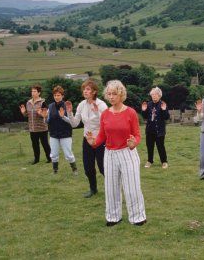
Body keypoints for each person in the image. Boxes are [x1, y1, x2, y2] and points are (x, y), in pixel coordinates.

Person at [87, 80, 146, 227]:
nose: (111, 97)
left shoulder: (130, 112)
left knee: (132, 187)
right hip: (110, 154)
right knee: (111, 187)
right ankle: (113, 217)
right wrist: (93, 142)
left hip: (127, 153)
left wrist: (134, 143)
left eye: (114, 94)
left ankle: (138, 217)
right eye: (109, 94)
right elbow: (102, 136)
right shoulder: (105, 114)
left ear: (121, 94)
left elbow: (137, 135)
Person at [67, 79, 108, 198]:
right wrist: (69, 113)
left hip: (100, 139)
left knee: (103, 167)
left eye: (88, 89)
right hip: (87, 139)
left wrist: (96, 113)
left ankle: (112, 189)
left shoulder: (101, 105)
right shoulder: (81, 105)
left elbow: (107, 122)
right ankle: (93, 189)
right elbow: (75, 124)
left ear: (94, 91)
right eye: (84, 89)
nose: (85, 91)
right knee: (88, 167)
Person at [44, 85, 78, 175]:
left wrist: (63, 117)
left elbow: (72, 122)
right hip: (53, 134)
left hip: (65, 134)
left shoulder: (67, 105)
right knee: (54, 154)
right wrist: (44, 117)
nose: (56, 97)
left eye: (58, 95)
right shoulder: (50, 107)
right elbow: (47, 121)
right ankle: (55, 170)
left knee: (68, 154)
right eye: (55, 95)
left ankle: (74, 169)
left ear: (62, 96)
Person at [20, 84, 51, 165]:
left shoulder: (43, 102)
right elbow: (28, 115)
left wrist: (40, 113)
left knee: (45, 144)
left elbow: (46, 115)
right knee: (35, 145)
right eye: (32, 91)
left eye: (35, 91)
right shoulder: (28, 103)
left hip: (42, 128)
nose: (33, 93)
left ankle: (49, 158)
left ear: (39, 93)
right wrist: (24, 113)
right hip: (32, 128)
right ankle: (36, 159)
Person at [141, 87, 170, 169]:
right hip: (150, 130)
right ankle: (149, 161)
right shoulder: (149, 104)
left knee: (160, 146)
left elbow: (166, 117)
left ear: (159, 95)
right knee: (149, 146)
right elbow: (145, 116)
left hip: (159, 130)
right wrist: (143, 110)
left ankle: (164, 162)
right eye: (152, 94)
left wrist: (164, 110)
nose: (153, 96)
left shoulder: (163, 104)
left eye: (155, 94)